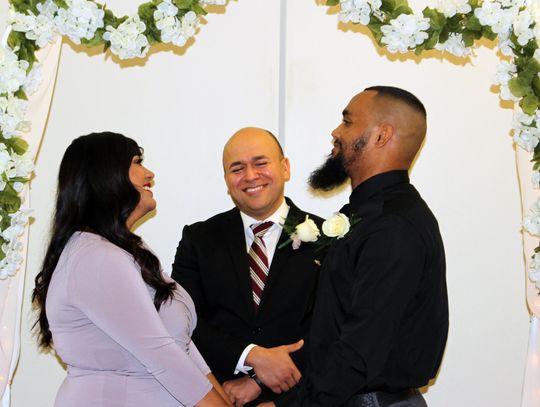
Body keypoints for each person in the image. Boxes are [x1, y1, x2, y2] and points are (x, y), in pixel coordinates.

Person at [264, 86, 449, 407]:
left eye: (347, 122)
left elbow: (360, 348)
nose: (336, 132)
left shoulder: (393, 226)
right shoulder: (366, 215)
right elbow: (331, 329)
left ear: (381, 136)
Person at [32, 132, 231, 407]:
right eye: (137, 162)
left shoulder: (130, 251)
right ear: (106, 174)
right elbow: (161, 356)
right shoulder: (94, 256)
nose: (149, 173)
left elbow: (181, 348)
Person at [171, 127, 323, 406]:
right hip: (222, 395)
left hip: (301, 398)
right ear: (227, 180)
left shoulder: (327, 239)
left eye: (261, 163)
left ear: (285, 167)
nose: (251, 176)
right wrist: (250, 355)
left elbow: (334, 327)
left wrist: (259, 380)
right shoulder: (199, 238)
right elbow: (183, 320)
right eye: (237, 168)